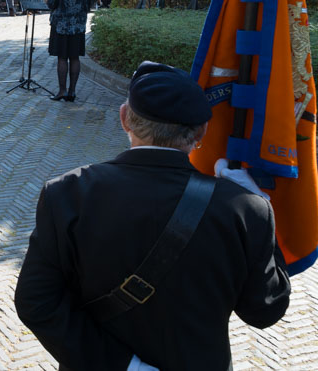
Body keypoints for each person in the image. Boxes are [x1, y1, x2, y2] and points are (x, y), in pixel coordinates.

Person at [15, 62, 290, 370]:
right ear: (201, 132)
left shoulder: (67, 193)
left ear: (124, 119)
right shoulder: (244, 209)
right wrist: (262, 207)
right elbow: (265, 310)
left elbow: (36, 302)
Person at [46, 0, 89, 102]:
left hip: (61, 25)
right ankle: (72, 92)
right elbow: (88, 2)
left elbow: (52, 2)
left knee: (62, 57)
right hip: (78, 25)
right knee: (75, 57)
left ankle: (62, 91)